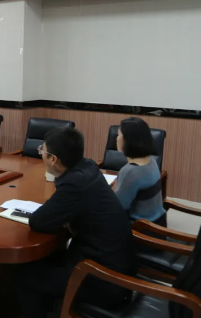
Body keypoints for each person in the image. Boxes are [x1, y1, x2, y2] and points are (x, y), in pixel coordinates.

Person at [17, 127, 135, 318]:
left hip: (103, 278)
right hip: (115, 262)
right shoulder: (88, 167)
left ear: (53, 159)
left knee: (24, 276)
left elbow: (38, 222)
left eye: (42, 151)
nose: (41, 154)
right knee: (46, 258)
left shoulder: (74, 185)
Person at [115, 117, 166, 225]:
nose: (116, 138)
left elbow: (118, 207)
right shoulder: (151, 161)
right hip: (158, 223)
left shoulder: (130, 172)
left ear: (128, 140)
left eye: (119, 134)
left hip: (141, 229)